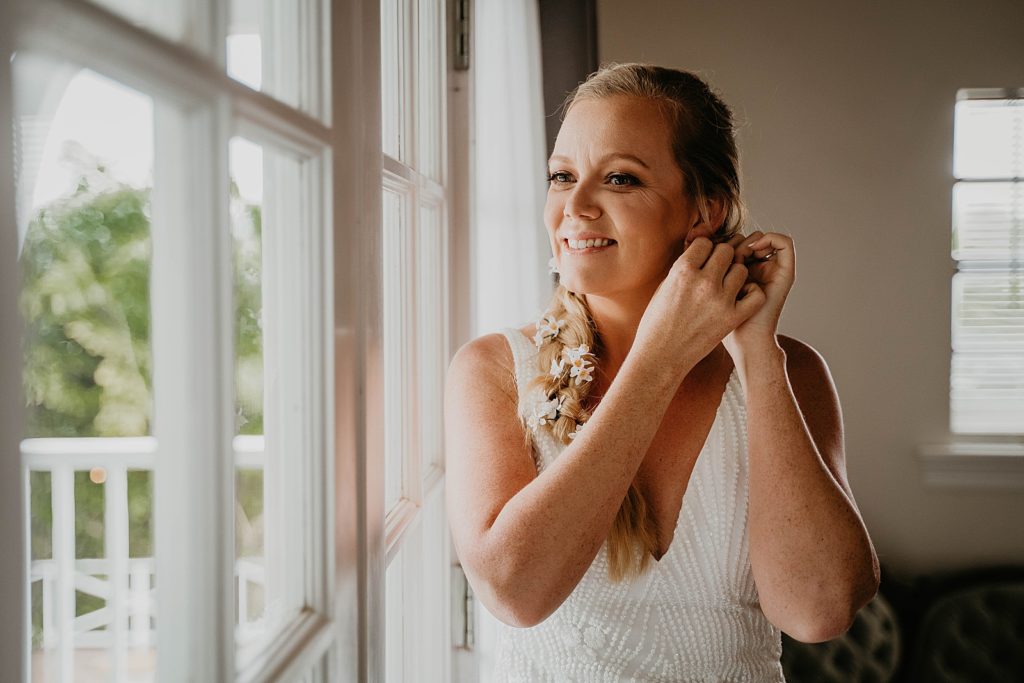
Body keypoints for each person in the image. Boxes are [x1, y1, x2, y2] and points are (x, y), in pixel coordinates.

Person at [444, 62, 879, 682]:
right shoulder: (491, 370)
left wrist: (757, 354)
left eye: (620, 179)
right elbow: (516, 592)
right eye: (561, 176)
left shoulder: (789, 372)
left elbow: (818, 611)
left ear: (703, 210)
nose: (576, 206)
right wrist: (658, 358)